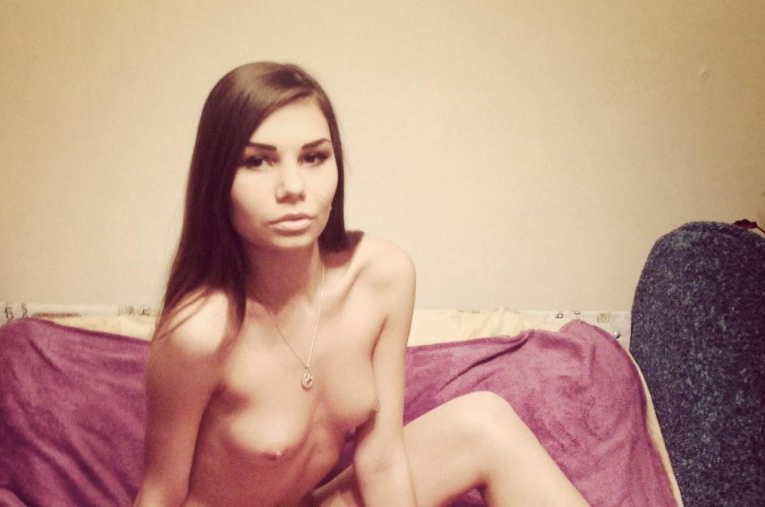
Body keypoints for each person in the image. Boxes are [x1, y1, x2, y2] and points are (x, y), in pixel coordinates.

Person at [134, 62, 587, 507]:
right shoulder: (199, 333)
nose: (292, 187)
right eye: (257, 162)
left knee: (484, 422)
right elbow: (161, 492)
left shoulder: (382, 279)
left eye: (313, 157)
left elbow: (381, 458)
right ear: (217, 180)